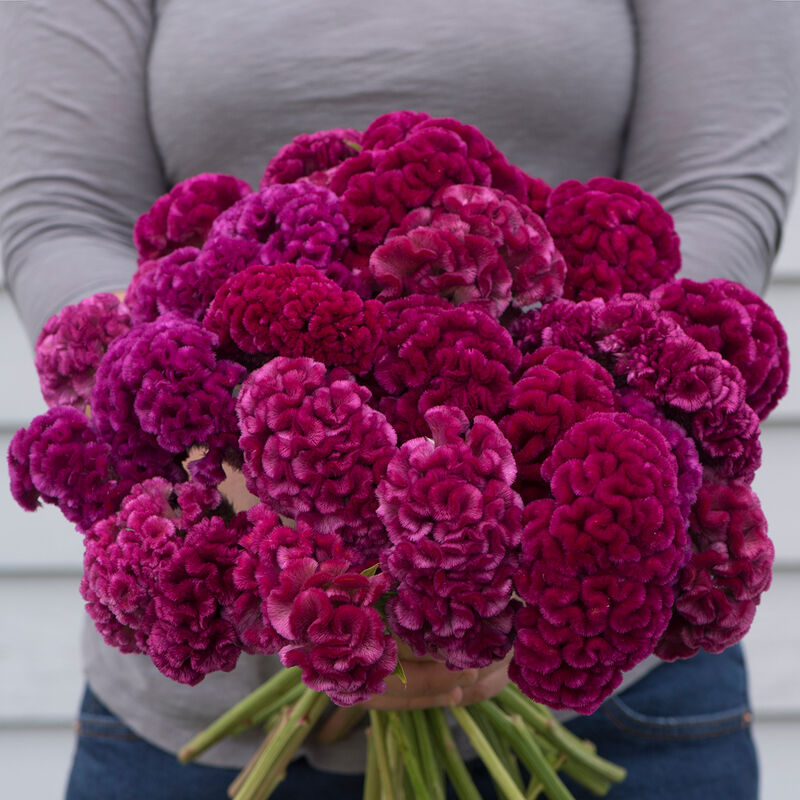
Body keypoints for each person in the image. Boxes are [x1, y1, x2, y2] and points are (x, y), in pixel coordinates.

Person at [1, 1, 798, 798]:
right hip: (203, 725)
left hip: (619, 698)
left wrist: (488, 550)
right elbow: (59, 208)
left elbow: (720, 183)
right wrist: (237, 462)